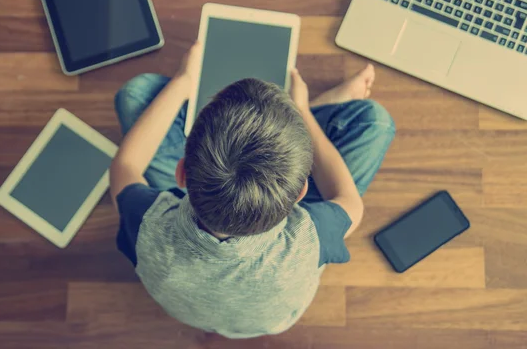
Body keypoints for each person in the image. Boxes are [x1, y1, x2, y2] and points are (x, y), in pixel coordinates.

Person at [110, 42, 395, 339]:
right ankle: (314, 112)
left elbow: (125, 165)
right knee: (376, 122)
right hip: (271, 314)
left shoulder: (149, 224)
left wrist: (184, 82)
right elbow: (350, 202)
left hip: (193, 290)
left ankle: (307, 115)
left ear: (180, 174)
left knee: (136, 95)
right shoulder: (306, 239)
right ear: (301, 194)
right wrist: (304, 115)